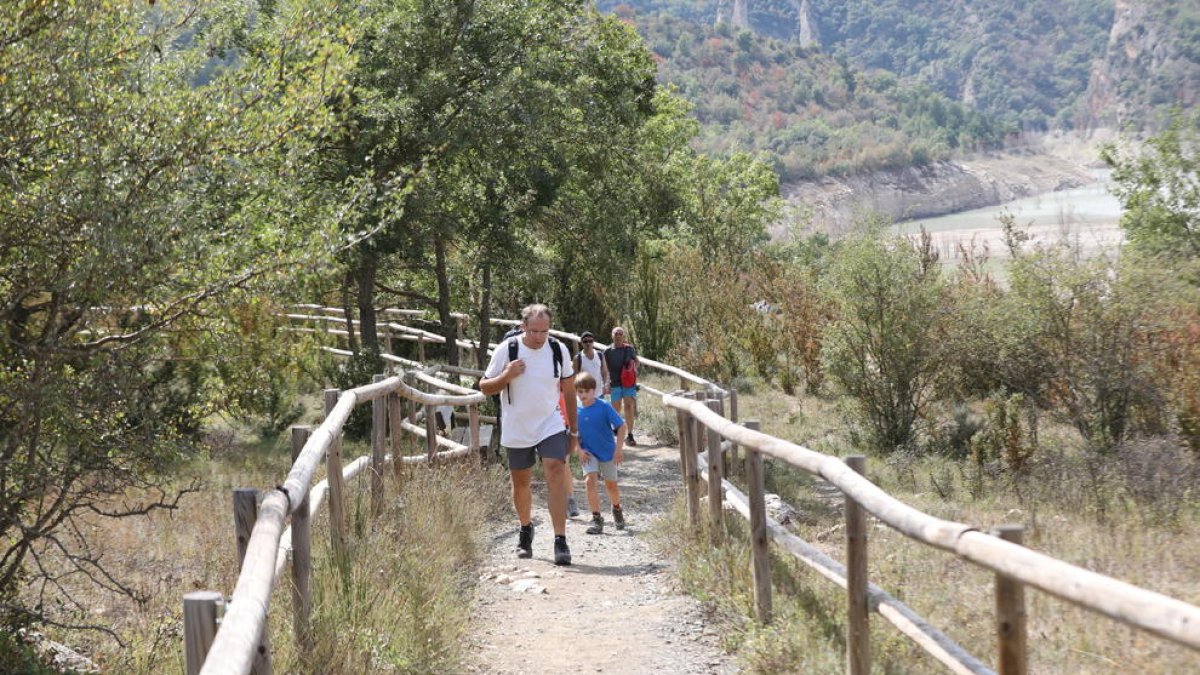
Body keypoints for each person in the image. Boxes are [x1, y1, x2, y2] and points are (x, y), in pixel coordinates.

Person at [480, 304, 578, 565]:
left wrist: (574, 431)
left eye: (544, 331)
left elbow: (569, 390)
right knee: (521, 482)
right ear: (523, 326)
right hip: (517, 425)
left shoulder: (559, 349)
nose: (539, 337)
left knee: (556, 470)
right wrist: (507, 375)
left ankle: (560, 540)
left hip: (550, 423)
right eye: (534, 331)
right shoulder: (507, 350)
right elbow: (485, 387)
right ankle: (525, 529)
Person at [574, 372, 627, 534]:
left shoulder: (604, 406)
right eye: (580, 391)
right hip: (589, 453)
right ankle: (597, 519)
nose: (583, 395)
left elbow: (621, 426)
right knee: (590, 482)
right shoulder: (575, 411)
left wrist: (618, 450)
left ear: (594, 391)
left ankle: (616, 509)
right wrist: (579, 450)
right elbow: (572, 432)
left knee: (611, 485)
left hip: (608, 452)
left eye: (586, 391)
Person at [603, 326, 639, 446]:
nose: (618, 336)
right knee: (616, 410)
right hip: (615, 384)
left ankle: (630, 434)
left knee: (629, 407)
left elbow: (637, 362)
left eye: (620, 334)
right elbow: (604, 369)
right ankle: (618, 432)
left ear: (623, 336)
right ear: (612, 335)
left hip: (628, 384)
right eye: (616, 334)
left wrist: (632, 372)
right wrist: (606, 383)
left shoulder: (629, 349)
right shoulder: (607, 351)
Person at [572, 331, 608, 398]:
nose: (588, 343)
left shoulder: (600, 355)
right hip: (585, 395)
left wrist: (605, 384)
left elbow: (604, 371)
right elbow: (575, 378)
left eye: (590, 341)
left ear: (593, 342)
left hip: (599, 393)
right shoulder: (577, 358)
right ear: (581, 343)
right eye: (585, 341)